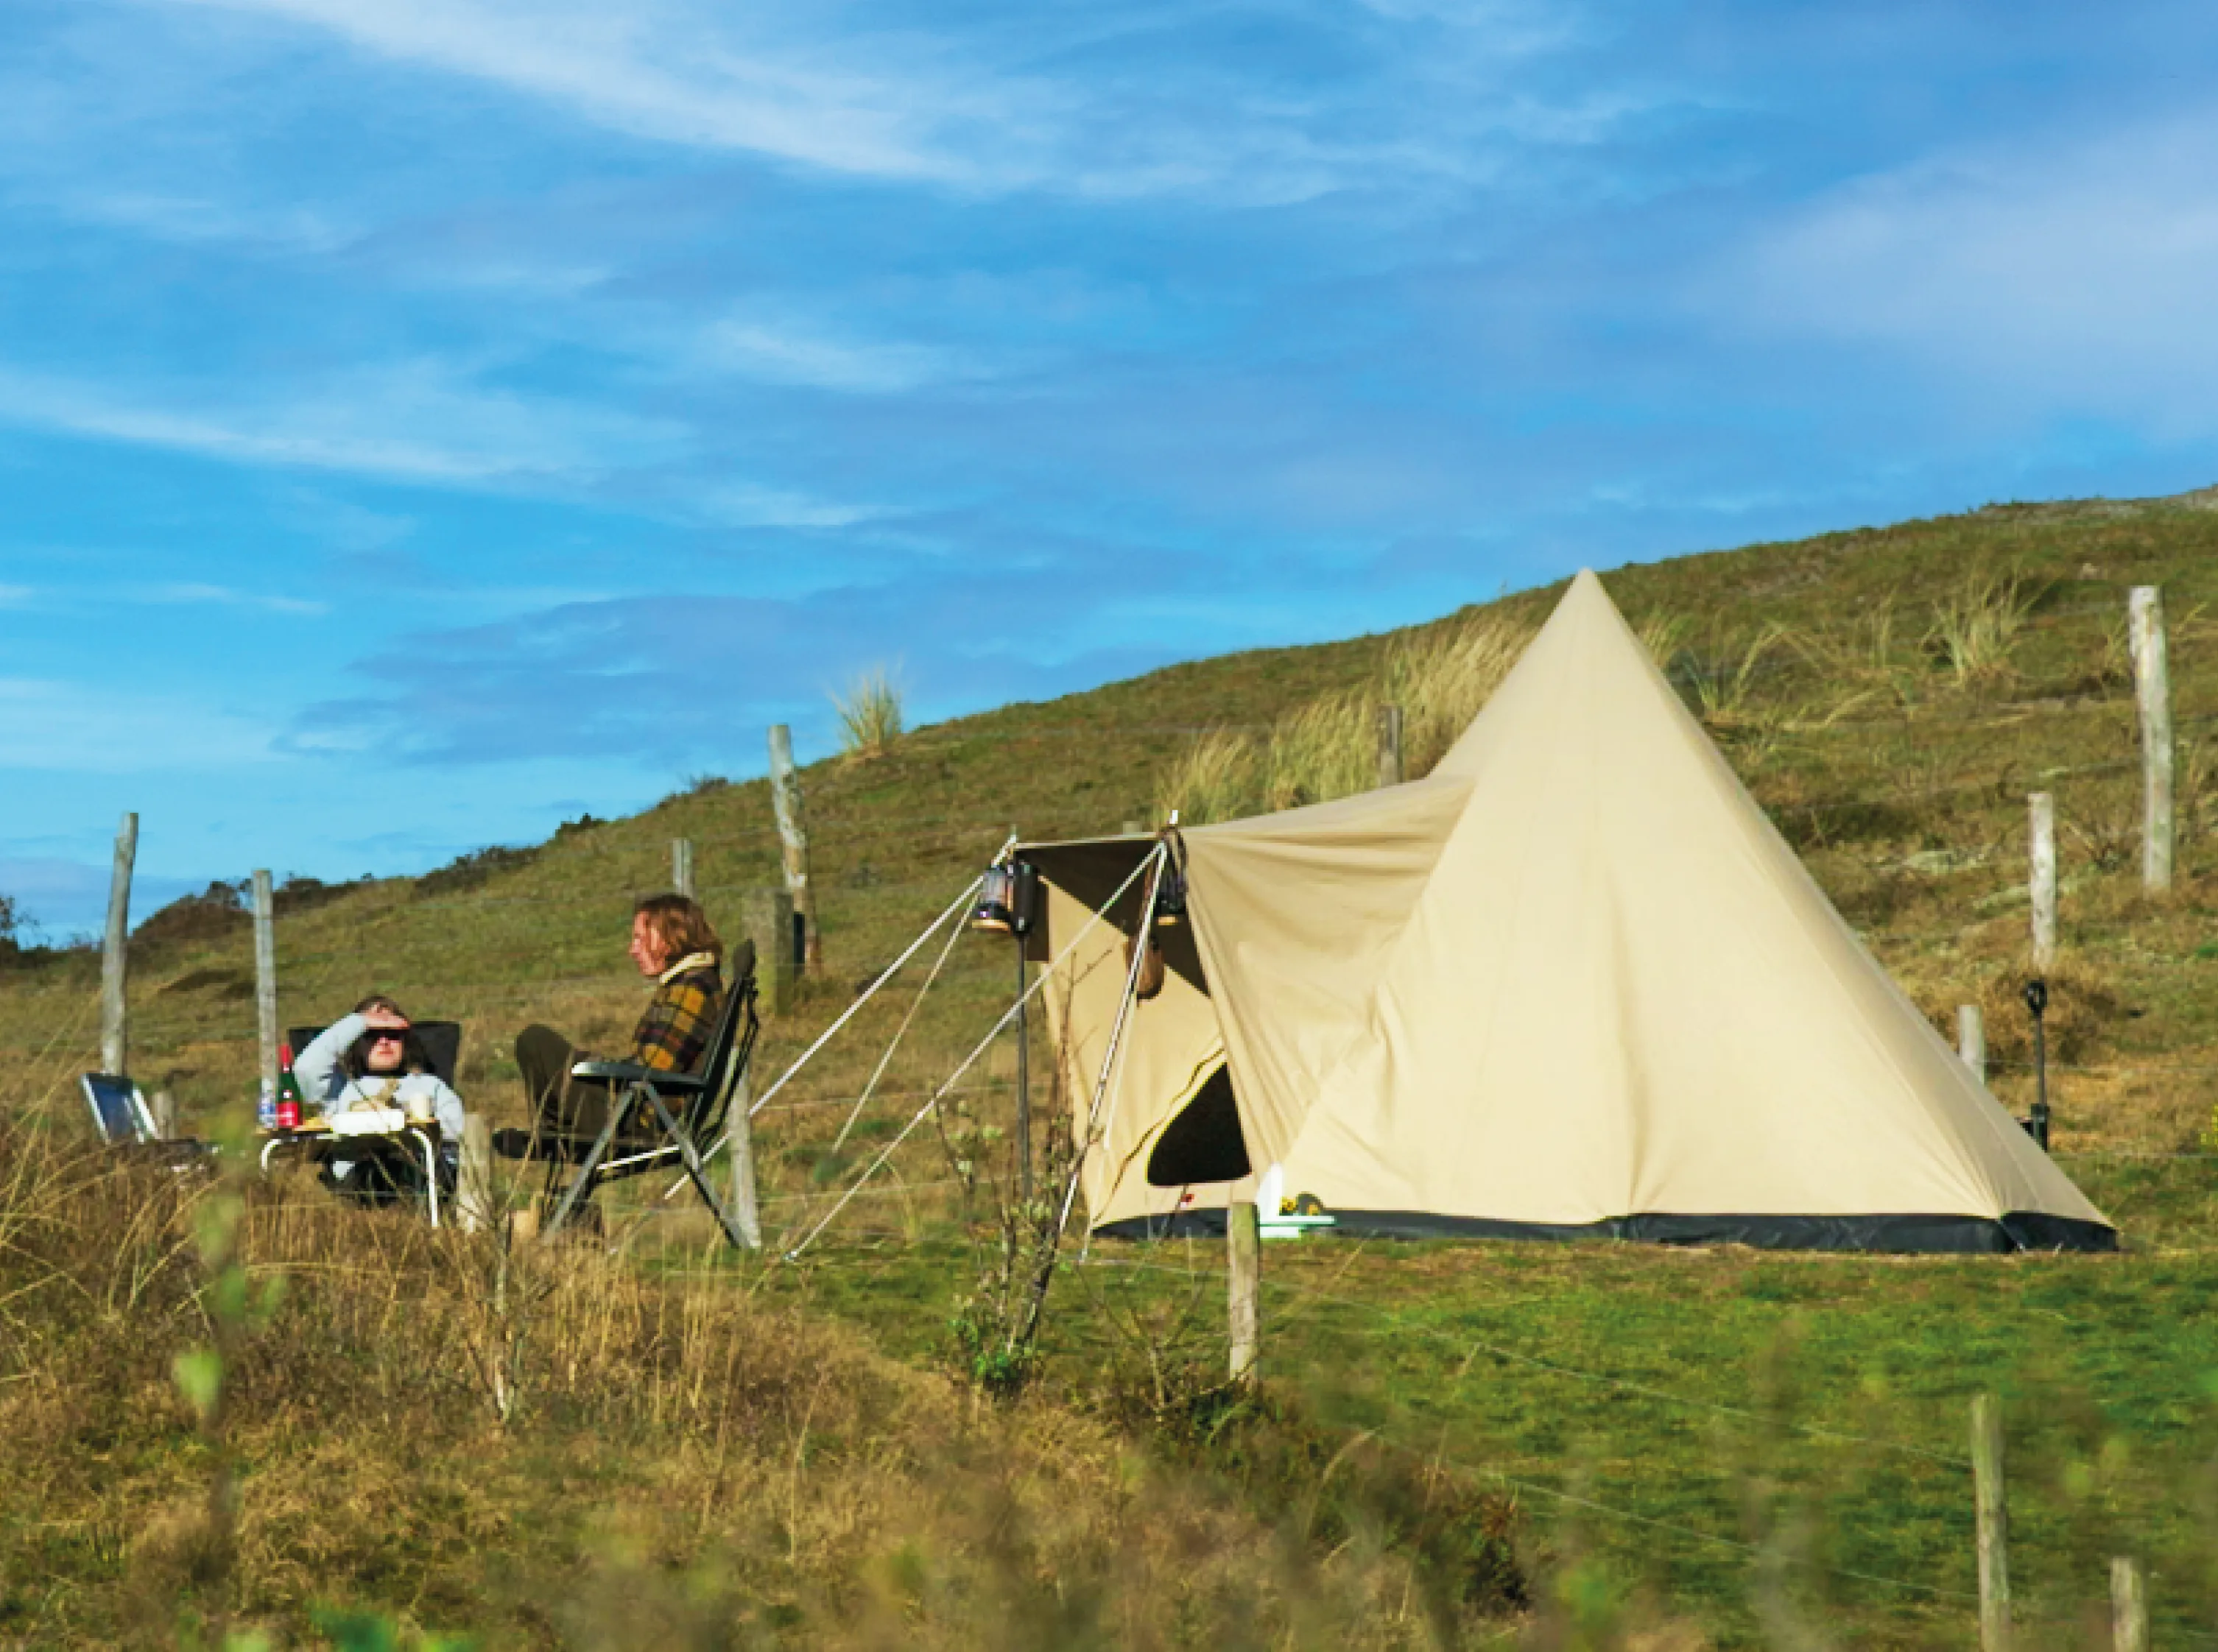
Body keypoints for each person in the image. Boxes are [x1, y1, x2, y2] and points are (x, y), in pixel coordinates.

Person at [502, 893, 726, 1158]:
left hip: (634, 1122)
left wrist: (593, 1067)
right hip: (637, 1112)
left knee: (536, 1042)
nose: (633, 949)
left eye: (641, 939)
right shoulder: (691, 983)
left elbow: (651, 1071)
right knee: (544, 1049)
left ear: (671, 938)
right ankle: (553, 1129)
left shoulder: (691, 989)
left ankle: (554, 1130)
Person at [295, 993, 468, 1199]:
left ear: (405, 1042)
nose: (384, 1041)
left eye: (393, 1035)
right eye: (373, 1034)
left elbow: (459, 1141)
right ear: (356, 1041)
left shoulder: (431, 1086)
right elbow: (305, 1068)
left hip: (421, 1177)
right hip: (362, 1179)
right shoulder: (338, 1089)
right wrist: (360, 1021)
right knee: (373, 1168)